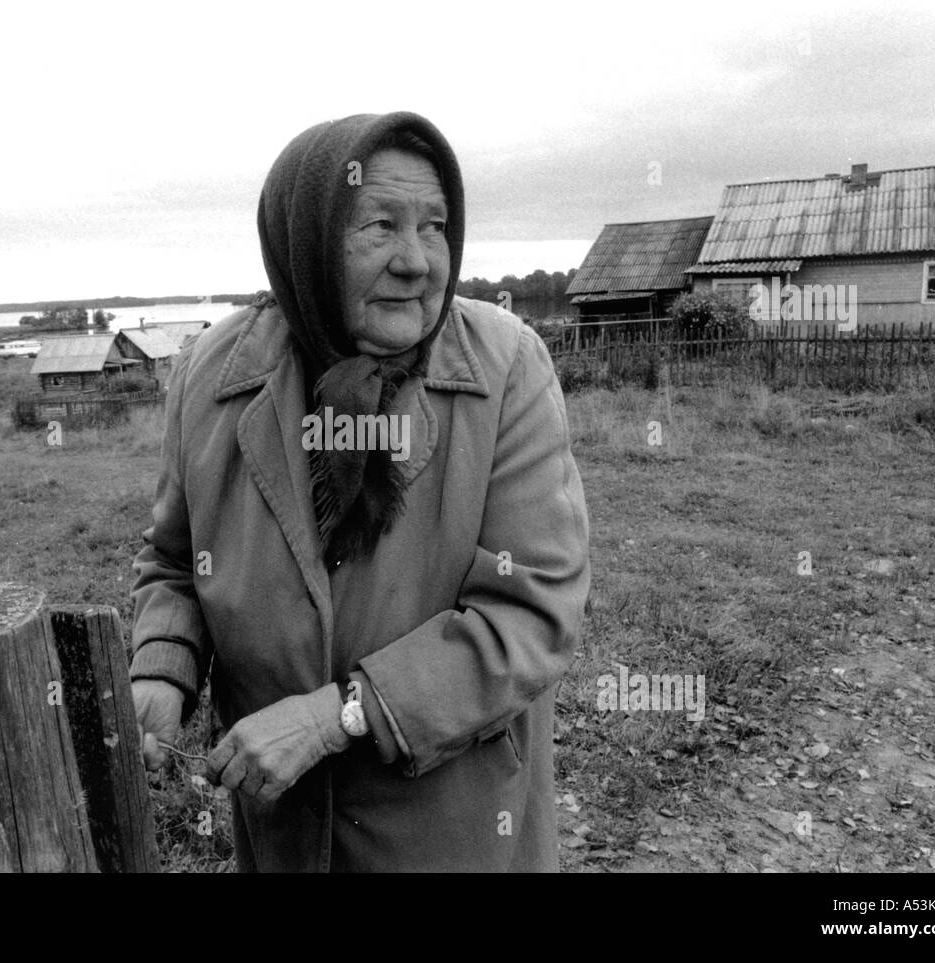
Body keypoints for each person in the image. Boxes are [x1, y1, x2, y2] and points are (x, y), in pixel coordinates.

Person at [129, 110, 591, 872]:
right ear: (305, 241)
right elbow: (177, 561)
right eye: (381, 226)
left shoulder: (506, 368)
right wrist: (163, 664)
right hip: (285, 839)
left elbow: (532, 608)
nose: (417, 261)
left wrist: (335, 716)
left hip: (453, 833)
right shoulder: (214, 372)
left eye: (436, 227)